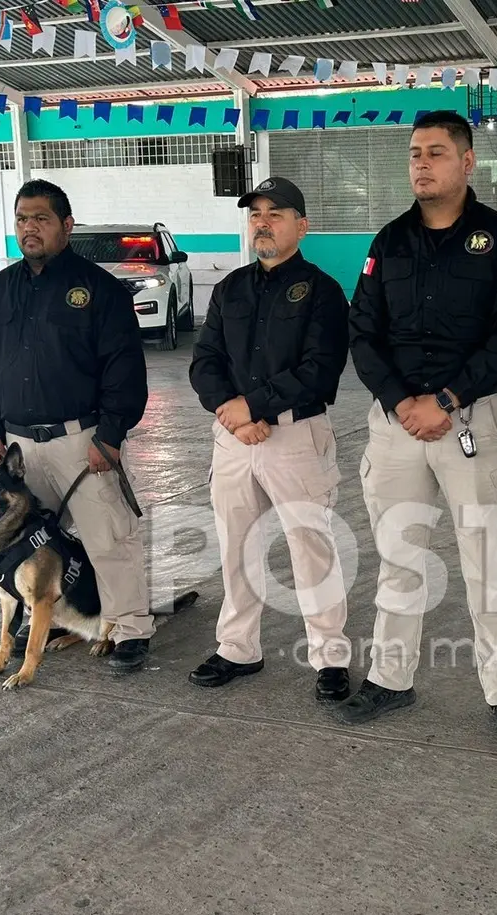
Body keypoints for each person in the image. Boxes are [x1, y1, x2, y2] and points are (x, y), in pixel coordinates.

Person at [344, 109, 497, 746]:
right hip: (397, 419)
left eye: (435, 152)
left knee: (487, 560)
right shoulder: (388, 241)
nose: (421, 164)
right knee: (400, 556)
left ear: (466, 162)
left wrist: (449, 398)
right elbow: (363, 332)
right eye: (414, 154)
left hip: (471, 417)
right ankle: (389, 680)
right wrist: (402, 400)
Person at [0, 178, 154, 673]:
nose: (30, 228)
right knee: (33, 541)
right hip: (18, 448)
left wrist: (110, 435)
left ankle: (131, 627)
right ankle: (54, 616)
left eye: (42, 219)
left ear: (66, 225)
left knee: (109, 538)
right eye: (23, 219)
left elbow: (125, 369)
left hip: (82, 442)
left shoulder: (100, 290)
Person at [187, 176, 354, 702]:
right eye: (255, 213)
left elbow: (320, 371)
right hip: (234, 437)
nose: (262, 222)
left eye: (275, 214)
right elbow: (204, 361)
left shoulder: (323, 291)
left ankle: (330, 656)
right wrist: (231, 412)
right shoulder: (230, 288)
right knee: (238, 546)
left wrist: (253, 406)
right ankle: (238, 648)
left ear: (301, 227)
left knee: (311, 548)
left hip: (296, 436)